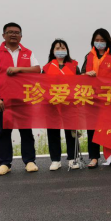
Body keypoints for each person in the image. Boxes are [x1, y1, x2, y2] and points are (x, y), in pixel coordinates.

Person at [0, 23, 41, 176]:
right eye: (10, 32)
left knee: (26, 131)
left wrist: (18, 69)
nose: (13, 35)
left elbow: (37, 69)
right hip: (4, 100)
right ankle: (5, 163)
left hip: (24, 100)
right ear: (3, 35)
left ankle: (29, 161)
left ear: (21, 36)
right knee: (4, 132)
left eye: (17, 32)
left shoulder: (28, 53)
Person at [82, 29, 111, 169]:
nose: (99, 43)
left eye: (102, 40)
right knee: (92, 128)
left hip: (109, 98)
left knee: (110, 127)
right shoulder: (88, 56)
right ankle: (94, 157)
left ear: (107, 41)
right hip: (92, 98)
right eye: (97, 40)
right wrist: (87, 74)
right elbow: (81, 75)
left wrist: (110, 82)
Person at [43, 39, 80, 171]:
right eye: (57, 48)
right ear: (52, 51)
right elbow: (42, 85)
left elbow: (80, 84)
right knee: (53, 132)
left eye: (63, 48)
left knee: (71, 132)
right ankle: (55, 160)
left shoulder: (74, 66)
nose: (60, 50)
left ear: (67, 50)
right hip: (52, 104)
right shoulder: (46, 68)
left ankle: (72, 158)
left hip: (69, 104)